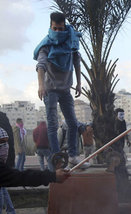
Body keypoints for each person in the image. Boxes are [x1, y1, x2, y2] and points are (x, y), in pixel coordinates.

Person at [34, 11, 85, 169]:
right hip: (51, 90)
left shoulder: (71, 40)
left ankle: (72, 155)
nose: (57, 32)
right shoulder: (47, 44)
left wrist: (78, 83)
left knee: (73, 123)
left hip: (65, 89)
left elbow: (77, 60)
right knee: (53, 124)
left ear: (64, 26)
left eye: (60, 28)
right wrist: (41, 85)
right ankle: (57, 157)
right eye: (54, 28)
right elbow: (41, 65)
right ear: (50, 27)